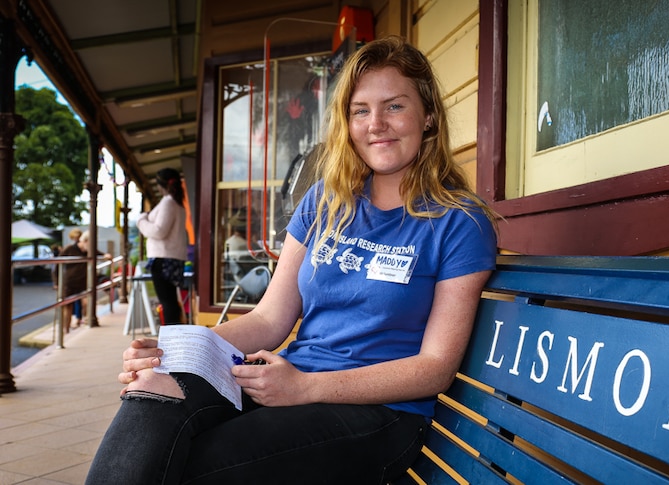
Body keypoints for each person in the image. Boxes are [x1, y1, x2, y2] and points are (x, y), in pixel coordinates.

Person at [86, 36, 498, 484]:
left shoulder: (459, 222)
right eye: (361, 110)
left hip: (379, 414)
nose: (376, 124)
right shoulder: (326, 201)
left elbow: (434, 368)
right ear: (347, 122)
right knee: (154, 388)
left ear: (429, 116)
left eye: (395, 106)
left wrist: (306, 388)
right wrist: (174, 353)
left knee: (188, 465)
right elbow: (268, 319)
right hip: (288, 382)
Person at [136, 167, 189, 325]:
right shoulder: (178, 204)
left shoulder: (168, 203)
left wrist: (142, 220)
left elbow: (159, 231)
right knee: (171, 301)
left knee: (167, 301)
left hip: (163, 258)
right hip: (172, 258)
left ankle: (171, 339)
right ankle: (175, 337)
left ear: (160, 185)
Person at [53, 229, 110, 332]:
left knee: (87, 302)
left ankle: (84, 322)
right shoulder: (69, 249)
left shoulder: (90, 250)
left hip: (83, 282)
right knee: (67, 307)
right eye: (90, 243)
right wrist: (56, 282)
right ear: (84, 241)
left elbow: (101, 254)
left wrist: (106, 255)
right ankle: (65, 331)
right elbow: (57, 265)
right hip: (69, 283)